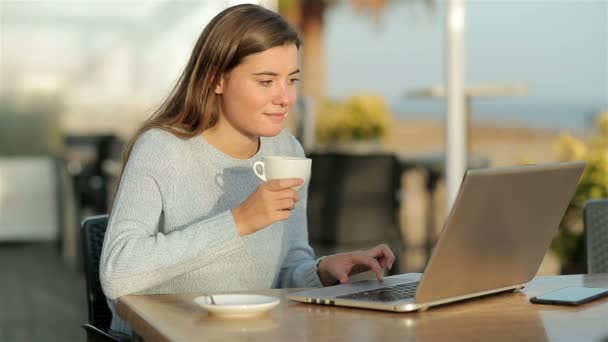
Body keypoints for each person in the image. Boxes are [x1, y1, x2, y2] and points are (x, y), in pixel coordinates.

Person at [100, 3, 395, 335]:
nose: (285, 98)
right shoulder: (160, 149)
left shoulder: (287, 150)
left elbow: (285, 271)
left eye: (291, 80)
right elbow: (117, 273)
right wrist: (240, 221)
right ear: (216, 79)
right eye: (266, 81)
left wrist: (324, 270)